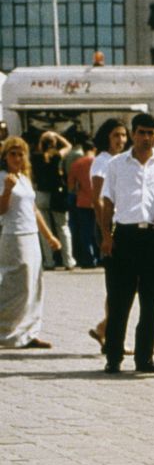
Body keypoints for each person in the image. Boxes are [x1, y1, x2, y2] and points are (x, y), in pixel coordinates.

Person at [98, 113, 154, 374]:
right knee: (119, 302)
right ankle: (114, 356)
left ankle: (144, 358)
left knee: (150, 304)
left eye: (150, 132)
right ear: (133, 134)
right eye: (141, 132)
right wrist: (106, 237)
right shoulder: (117, 165)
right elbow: (107, 202)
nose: (145, 137)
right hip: (125, 239)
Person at [0, 137, 62, 349]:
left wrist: (49, 236)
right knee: (18, 285)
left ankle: (29, 332)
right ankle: (5, 330)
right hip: (13, 235)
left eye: (20, 154)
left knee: (35, 284)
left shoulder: (24, 179)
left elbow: (34, 210)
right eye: (12, 154)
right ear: (5, 156)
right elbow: (1, 210)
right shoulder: (3, 178)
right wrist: (7, 189)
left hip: (31, 234)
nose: (17, 158)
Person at [88, 118, 128, 351]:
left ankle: (106, 329)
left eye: (123, 135)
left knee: (121, 284)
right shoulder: (102, 161)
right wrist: (105, 233)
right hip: (107, 227)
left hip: (120, 224)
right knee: (116, 285)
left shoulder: (120, 160)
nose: (120, 140)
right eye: (116, 135)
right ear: (106, 137)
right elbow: (97, 199)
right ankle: (111, 335)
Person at [32, 132, 75, 270]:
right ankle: (68, 260)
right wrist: (56, 135)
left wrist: (42, 137)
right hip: (57, 194)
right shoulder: (56, 155)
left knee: (45, 229)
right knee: (62, 227)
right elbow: (69, 146)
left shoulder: (35, 157)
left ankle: (49, 261)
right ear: (54, 143)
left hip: (41, 193)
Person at [67, 140, 98, 268]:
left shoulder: (76, 164)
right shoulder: (100, 162)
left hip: (83, 201)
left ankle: (88, 259)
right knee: (101, 230)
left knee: (85, 232)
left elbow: (71, 186)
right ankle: (102, 256)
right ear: (94, 149)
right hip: (100, 201)